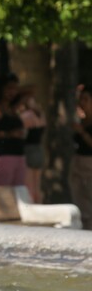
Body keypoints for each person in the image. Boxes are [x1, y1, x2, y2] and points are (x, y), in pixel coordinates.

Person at [16, 86, 46, 203]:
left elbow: (23, 132)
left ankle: (32, 206)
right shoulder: (40, 113)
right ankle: (38, 204)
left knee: (29, 184)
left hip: (29, 150)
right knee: (37, 184)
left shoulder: (27, 115)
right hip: (38, 149)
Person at [71, 84, 92, 230]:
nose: (82, 103)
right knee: (79, 201)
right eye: (81, 99)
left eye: (85, 99)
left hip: (89, 164)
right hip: (78, 162)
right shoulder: (82, 120)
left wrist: (82, 132)